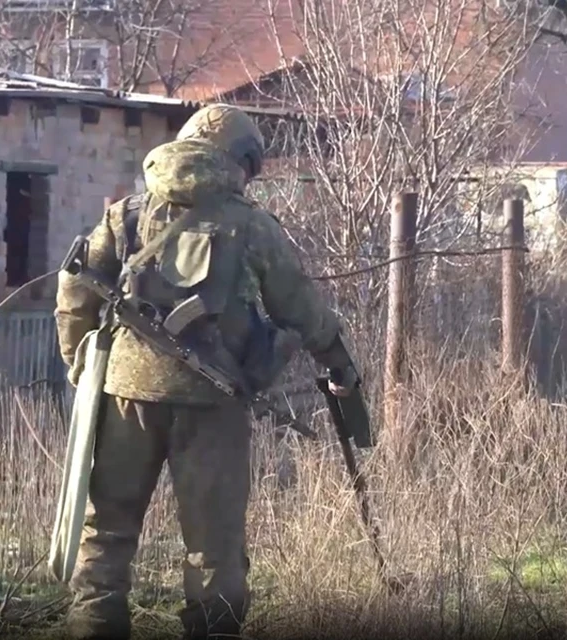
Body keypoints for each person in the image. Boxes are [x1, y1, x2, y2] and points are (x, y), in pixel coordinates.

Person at [54, 103, 360, 640]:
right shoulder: (252, 226)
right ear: (241, 161)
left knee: (106, 536)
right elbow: (301, 310)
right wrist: (339, 364)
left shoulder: (126, 214)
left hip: (125, 397)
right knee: (214, 547)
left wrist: (81, 365)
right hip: (214, 407)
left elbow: (74, 290)